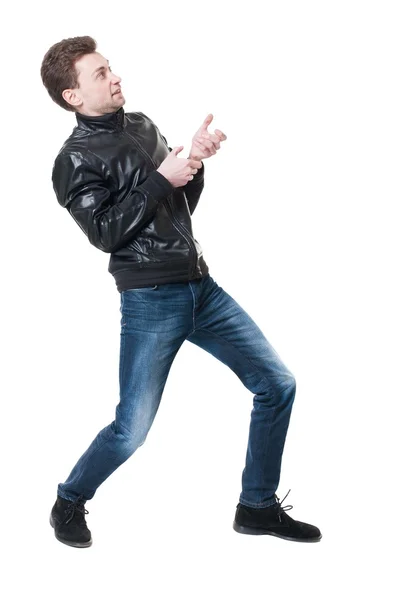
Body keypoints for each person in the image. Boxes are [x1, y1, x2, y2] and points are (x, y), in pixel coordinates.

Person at [40, 35, 321, 548]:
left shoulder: (143, 124)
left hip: (201, 286)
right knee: (132, 430)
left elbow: (178, 200)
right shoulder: (73, 160)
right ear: (72, 96)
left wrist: (194, 161)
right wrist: (160, 179)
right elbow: (105, 233)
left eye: (111, 68)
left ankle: (256, 506)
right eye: (100, 74)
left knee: (277, 384)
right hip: (151, 301)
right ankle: (70, 499)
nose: (115, 76)